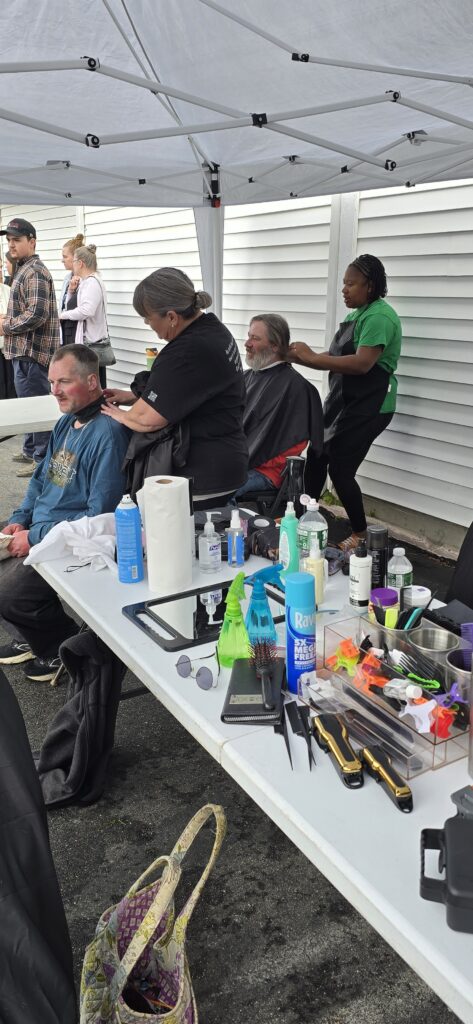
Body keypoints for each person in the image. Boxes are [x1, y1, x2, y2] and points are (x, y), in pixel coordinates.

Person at [0, 344, 130, 683]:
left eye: (64, 382)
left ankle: (60, 647)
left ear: (91, 382)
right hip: (40, 525)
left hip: (71, 539)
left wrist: (34, 537)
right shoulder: (66, 422)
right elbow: (41, 479)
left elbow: (99, 515)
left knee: (9, 593)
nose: (54, 391)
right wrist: (20, 518)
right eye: (52, 382)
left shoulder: (109, 434)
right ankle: (31, 635)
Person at [102, 267, 248, 508]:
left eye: (148, 318)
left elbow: (148, 420)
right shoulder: (213, 329)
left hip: (202, 472)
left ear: (171, 317)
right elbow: (188, 390)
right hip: (227, 458)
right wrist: (133, 396)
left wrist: (118, 414)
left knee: (184, 532)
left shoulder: (187, 351)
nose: (148, 323)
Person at [288, 254, 402, 551]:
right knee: (317, 454)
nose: (344, 290)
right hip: (342, 402)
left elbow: (362, 364)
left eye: (351, 284)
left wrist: (311, 357)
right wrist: (296, 357)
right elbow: (336, 358)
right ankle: (305, 516)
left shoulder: (379, 317)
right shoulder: (356, 316)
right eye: (344, 284)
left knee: (340, 469)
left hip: (370, 405)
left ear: (370, 285)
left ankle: (361, 534)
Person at [234, 314, 323, 501]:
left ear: (274, 345)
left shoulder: (297, 389)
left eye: (255, 338)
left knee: (220, 489)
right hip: (238, 463)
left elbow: (296, 442)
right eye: (248, 336)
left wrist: (249, 457)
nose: (247, 343)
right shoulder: (246, 377)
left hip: (265, 471)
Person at [0, 218, 61, 476]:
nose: (11, 245)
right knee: (28, 405)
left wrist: (5, 326)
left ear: (32, 241)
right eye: (9, 240)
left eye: (17, 240)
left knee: (37, 407)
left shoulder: (34, 271)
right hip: (24, 352)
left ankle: (42, 460)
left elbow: (36, 314)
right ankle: (29, 450)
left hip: (32, 353)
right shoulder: (24, 269)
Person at [58, 243, 109, 387]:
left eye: (74, 261)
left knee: (90, 384)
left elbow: (87, 310)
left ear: (80, 263)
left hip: (91, 344)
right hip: (84, 344)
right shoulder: (84, 282)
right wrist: (71, 291)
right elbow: (72, 306)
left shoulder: (92, 283)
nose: (72, 265)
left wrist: (63, 315)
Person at [59, 232, 85, 345]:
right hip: (65, 331)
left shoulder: (86, 281)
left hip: (79, 335)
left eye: (65, 257)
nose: (62, 260)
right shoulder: (67, 278)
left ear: (76, 258)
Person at [0, 262, 15, 399]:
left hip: (8, 349)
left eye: (0, 267)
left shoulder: (7, 290)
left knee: (11, 388)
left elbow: (15, 315)